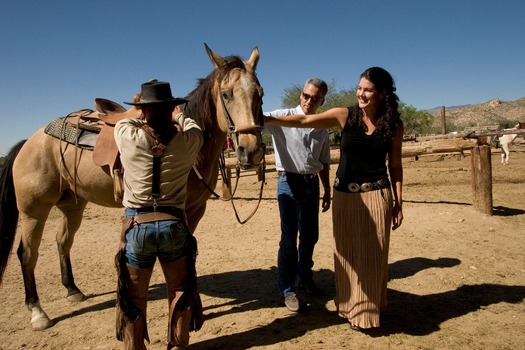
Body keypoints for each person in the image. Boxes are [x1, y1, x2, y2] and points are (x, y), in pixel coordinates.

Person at [265, 67, 404, 330]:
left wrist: (399, 201)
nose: (361, 94)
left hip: (376, 194)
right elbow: (303, 121)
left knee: (373, 255)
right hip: (341, 195)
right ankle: (348, 307)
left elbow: (395, 166)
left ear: (383, 93)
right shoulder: (344, 115)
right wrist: (261, 118)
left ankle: (368, 312)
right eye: (359, 88)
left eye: (368, 90)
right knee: (346, 254)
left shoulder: (394, 125)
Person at [114, 80, 204, 349]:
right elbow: (193, 127)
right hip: (174, 225)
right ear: (170, 109)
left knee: (133, 299)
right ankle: (178, 345)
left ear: (143, 110)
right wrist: (180, 116)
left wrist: (139, 109)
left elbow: (127, 121)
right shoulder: (190, 140)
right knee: (180, 291)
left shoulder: (125, 134)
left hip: (137, 226)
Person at [263, 78, 332, 312]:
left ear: (322, 101)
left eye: (315, 98)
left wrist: (327, 190)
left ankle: (305, 277)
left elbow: (323, 161)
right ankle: (286, 288)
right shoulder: (280, 117)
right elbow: (254, 119)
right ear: (300, 94)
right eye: (306, 95)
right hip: (288, 182)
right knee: (289, 238)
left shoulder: (322, 126)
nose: (309, 101)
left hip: (312, 184)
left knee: (310, 235)